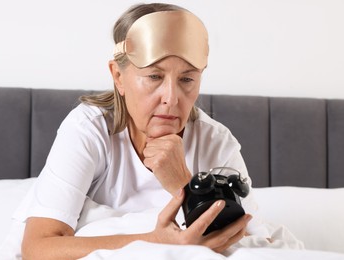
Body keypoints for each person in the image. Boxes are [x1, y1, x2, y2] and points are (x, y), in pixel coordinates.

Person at [14, 3, 273, 259]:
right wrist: (154, 241)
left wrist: (182, 185)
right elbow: (38, 248)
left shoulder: (215, 142)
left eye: (187, 79)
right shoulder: (88, 130)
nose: (171, 98)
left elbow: (253, 241)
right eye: (154, 77)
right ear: (118, 76)